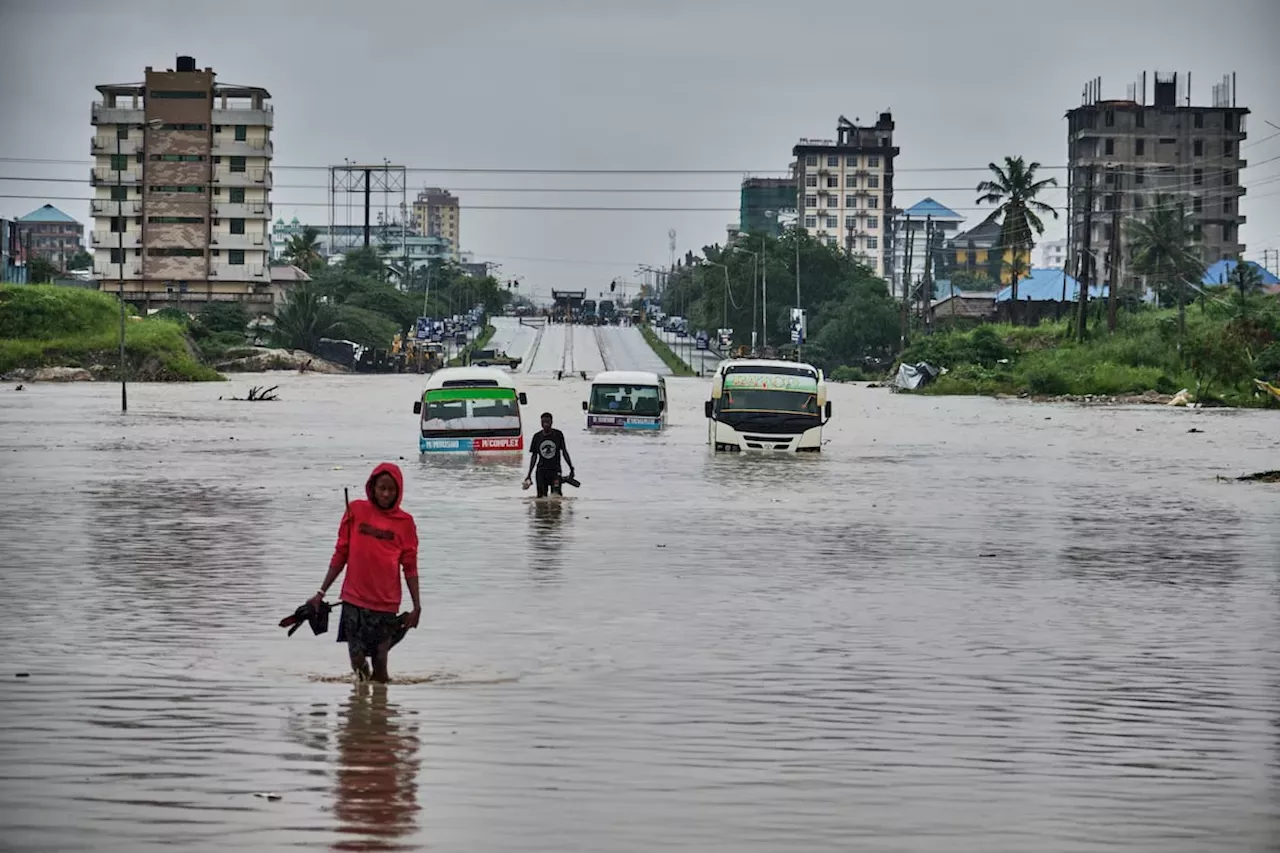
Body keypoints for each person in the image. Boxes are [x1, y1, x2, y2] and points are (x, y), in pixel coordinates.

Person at [310, 463, 420, 683]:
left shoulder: (405, 523)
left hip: (385, 604)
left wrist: (417, 606)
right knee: (357, 658)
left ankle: (380, 709)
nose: (386, 494)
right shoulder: (356, 511)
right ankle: (360, 704)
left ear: (399, 491)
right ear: (372, 487)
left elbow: (410, 567)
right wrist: (321, 592)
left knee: (380, 663)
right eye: (382, 488)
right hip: (354, 601)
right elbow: (341, 553)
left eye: (391, 489)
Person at [524, 412, 574, 498]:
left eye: (547, 422)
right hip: (541, 471)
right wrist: (529, 474)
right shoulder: (537, 437)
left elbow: (564, 452)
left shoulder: (558, 435)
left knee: (556, 496)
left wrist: (571, 468)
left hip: (555, 471)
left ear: (551, 422)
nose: (545, 424)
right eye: (543, 422)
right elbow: (534, 456)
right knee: (541, 498)